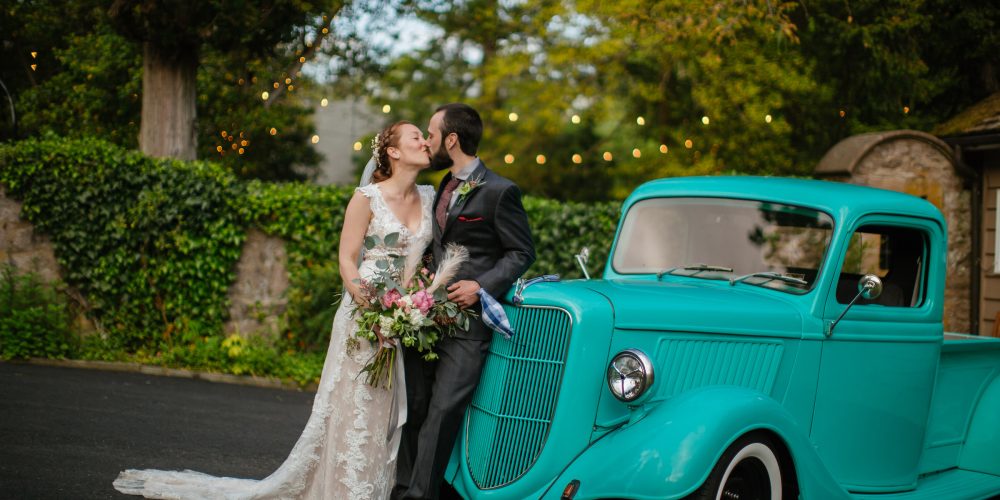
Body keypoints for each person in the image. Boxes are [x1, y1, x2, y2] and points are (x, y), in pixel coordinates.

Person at [113, 121, 435, 499]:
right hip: (365, 311)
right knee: (356, 403)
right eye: (416, 136)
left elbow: (430, 259)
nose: (426, 142)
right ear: (393, 152)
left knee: (386, 408)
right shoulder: (367, 197)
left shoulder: (430, 196)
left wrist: (414, 301)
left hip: (407, 313)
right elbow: (347, 259)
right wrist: (365, 297)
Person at [393, 103, 535, 499]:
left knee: (442, 414)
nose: (428, 141)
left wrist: (481, 287)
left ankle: (419, 496)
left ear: (452, 140)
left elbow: (521, 252)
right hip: (426, 319)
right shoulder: (441, 185)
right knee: (415, 409)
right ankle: (405, 486)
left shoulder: (501, 191)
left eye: (432, 134)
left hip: (468, 327)